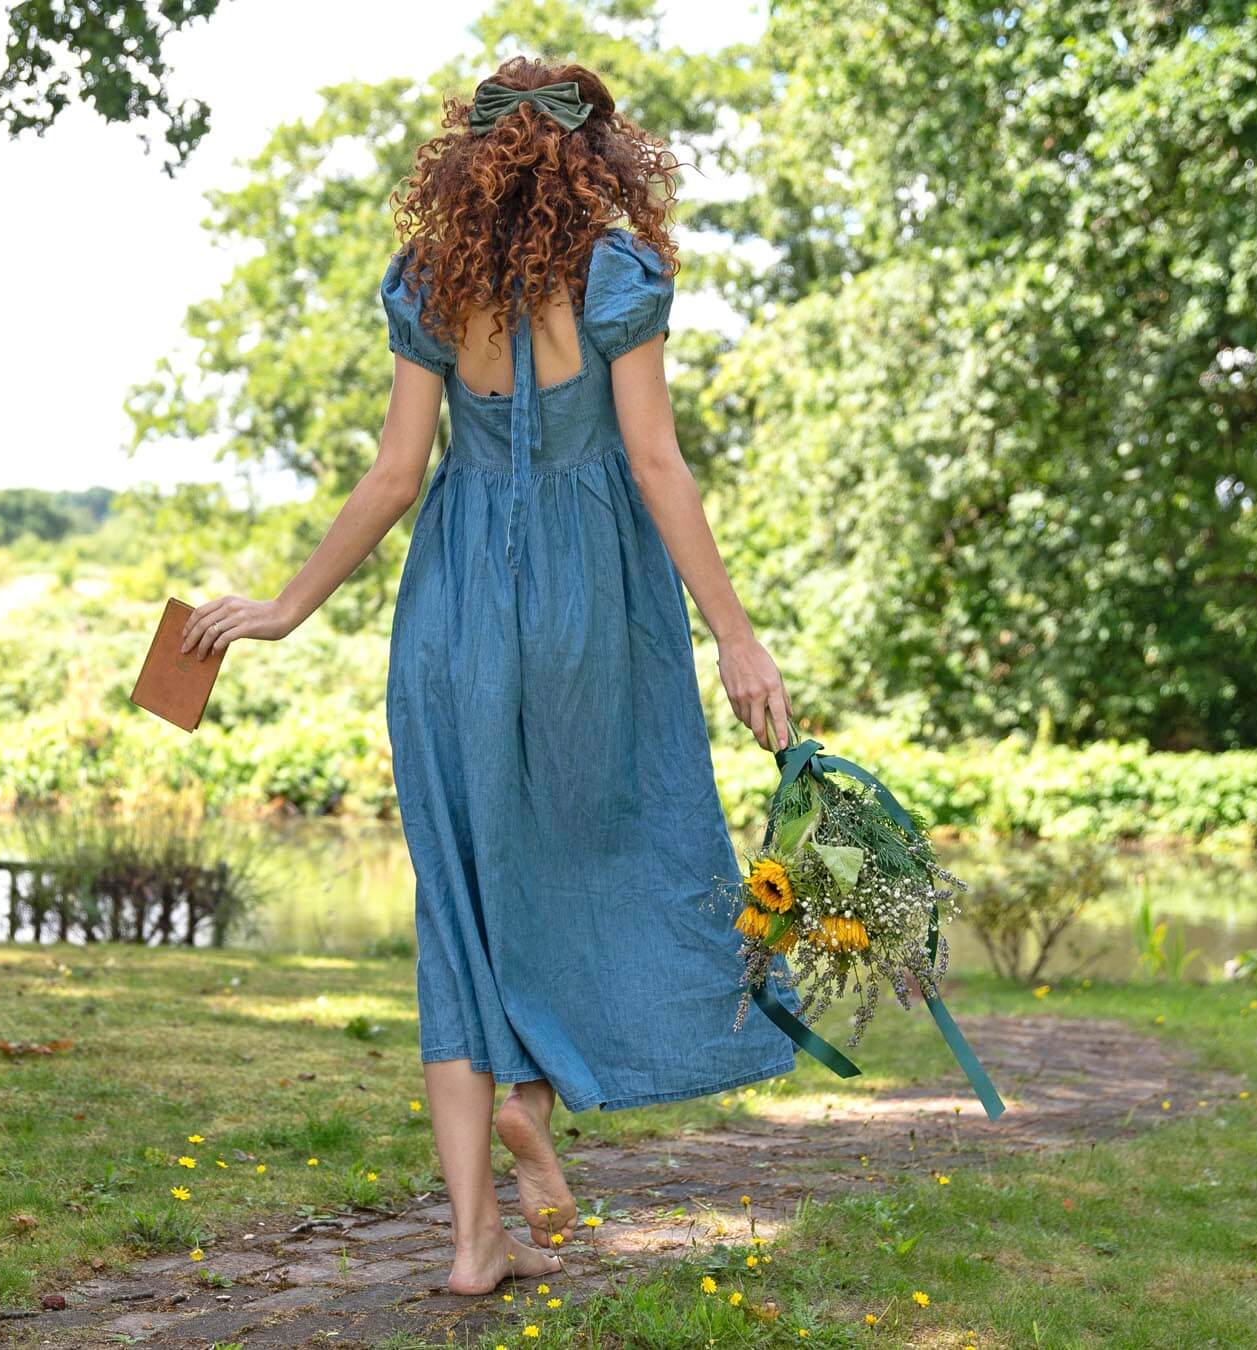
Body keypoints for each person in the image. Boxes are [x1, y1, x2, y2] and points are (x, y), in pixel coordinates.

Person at [179, 56, 802, 1296]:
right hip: (589, 615)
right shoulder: (616, 275)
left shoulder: (429, 282)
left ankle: (474, 1239)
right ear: (591, 161)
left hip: (454, 615)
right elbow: (657, 465)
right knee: (608, 858)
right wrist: (736, 636)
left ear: (467, 165)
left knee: (460, 902)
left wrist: (288, 608)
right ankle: (533, 1102)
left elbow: (397, 476)